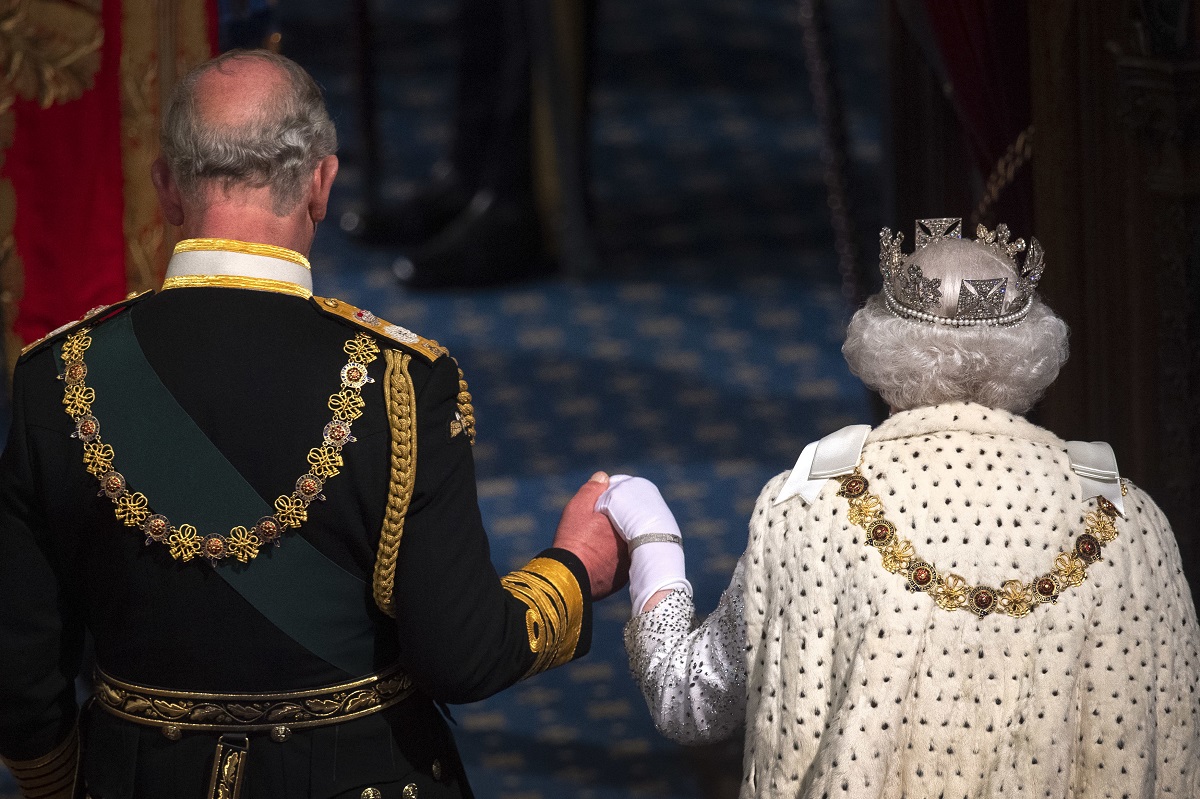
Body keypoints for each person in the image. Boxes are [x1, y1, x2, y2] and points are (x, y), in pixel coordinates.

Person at [0, 49, 625, 799]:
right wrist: (575, 567)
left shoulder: (55, 376)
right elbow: (462, 656)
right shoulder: (402, 383)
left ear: (167, 187)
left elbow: (22, 686)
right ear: (322, 184)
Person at [597, 218, 1200, 798]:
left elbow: (688, 699)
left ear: (879, 344)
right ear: (1033, 347)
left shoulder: (810, 509)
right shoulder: (1130, 520)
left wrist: (651, 535)